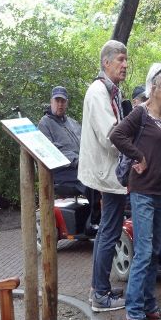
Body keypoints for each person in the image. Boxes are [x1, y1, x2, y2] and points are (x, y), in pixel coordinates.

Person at [110, 63, 161, 320]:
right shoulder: (141, 113)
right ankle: (133, 314)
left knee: (155, 251)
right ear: (153, 89)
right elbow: (116, 135)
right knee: (144, 251)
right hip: (143, 193)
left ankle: (149, 306)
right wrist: (138, 157)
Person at [78, 40, 128, 312]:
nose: (125, 65)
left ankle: (100, 288)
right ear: (106, 62)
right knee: (109, 231)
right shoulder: (98, 92)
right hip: (107, 173)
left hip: (108, 171)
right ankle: (100, 294)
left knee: (107, 230)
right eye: (120, 59)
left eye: (125, 59)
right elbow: (111, 135)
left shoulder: (109, 91)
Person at [37, 86, 101, 235]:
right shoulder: (44, 124)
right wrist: (77, 160)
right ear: (51, 101)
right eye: (57, 100)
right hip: (61, 172)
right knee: (89, 181)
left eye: (63, 101)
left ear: (67, 103)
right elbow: (52, 150)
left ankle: (106, 216)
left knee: (103, 174)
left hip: (82, 165)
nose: (60, 104)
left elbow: (87, 141)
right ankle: (92, 223)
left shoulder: (72, 122)